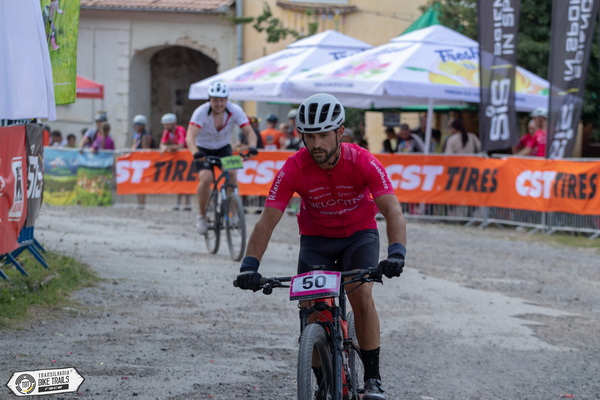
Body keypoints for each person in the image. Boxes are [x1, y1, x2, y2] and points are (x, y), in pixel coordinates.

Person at [235, 93, 407, 400]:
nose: (316, 144)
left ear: (340, 132)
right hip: (316, 240)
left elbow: (393, 210)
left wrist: (396, 253)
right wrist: (250, 265)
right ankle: (321, 382)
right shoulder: (294, 167)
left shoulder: (362, 160)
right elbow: (267, 220)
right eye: (309, 136)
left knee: (359, 294)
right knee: (312, 309)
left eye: (323, 135)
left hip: (359, 235)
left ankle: (373, 378)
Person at [186, 82, 257, 235]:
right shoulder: (201, 112)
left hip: (224, 148)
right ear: (210, 100)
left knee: (232, 173)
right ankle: (201, 216)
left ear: (226, 100)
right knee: (206, 178)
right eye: (215, 100)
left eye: (222, 100)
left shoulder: (235, 110)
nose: (218, 104)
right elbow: (190, 136)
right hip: (203, 149)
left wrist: (252, 146)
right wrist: (195, 153)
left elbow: (249, 132)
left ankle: (234, 213)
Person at [160, 113, 191, 211]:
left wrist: (167, 148)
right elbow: (162, 144)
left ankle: (188, 204)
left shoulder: (180, 130)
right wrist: (165, 147)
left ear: (173, 124)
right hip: (179, 158)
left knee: (188, 180)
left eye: (167, 124)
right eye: (164, 125)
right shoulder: (167, 131)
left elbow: (181, 145)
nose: (166, 127)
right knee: (179, 180)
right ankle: (178, 203)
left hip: (187, 157)